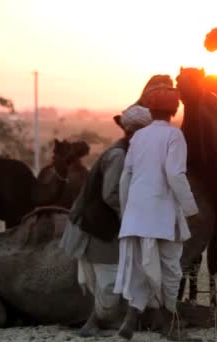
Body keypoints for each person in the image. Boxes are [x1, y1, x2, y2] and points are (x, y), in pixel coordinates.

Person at [113, 81, 199, 340]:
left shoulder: (138, 136)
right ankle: (169, 325)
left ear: (150, 110)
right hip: (161, 217)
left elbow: (125, 178)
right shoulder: (175, 136)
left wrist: (128, 211)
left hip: (136, 217)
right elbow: (175, 173)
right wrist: (190, 207)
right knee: (170, 269)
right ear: (175, 110)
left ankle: (130, 321)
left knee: (141, 268)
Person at [59, 104, 153, 337]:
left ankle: (94, 324)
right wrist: (133, 219)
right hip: (97, 230)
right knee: (109, 287)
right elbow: (111, 195)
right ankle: (93, 324)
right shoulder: (119, 156)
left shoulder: (125, 152)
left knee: (116, 280)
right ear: (134, 131)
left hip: (101, 227)